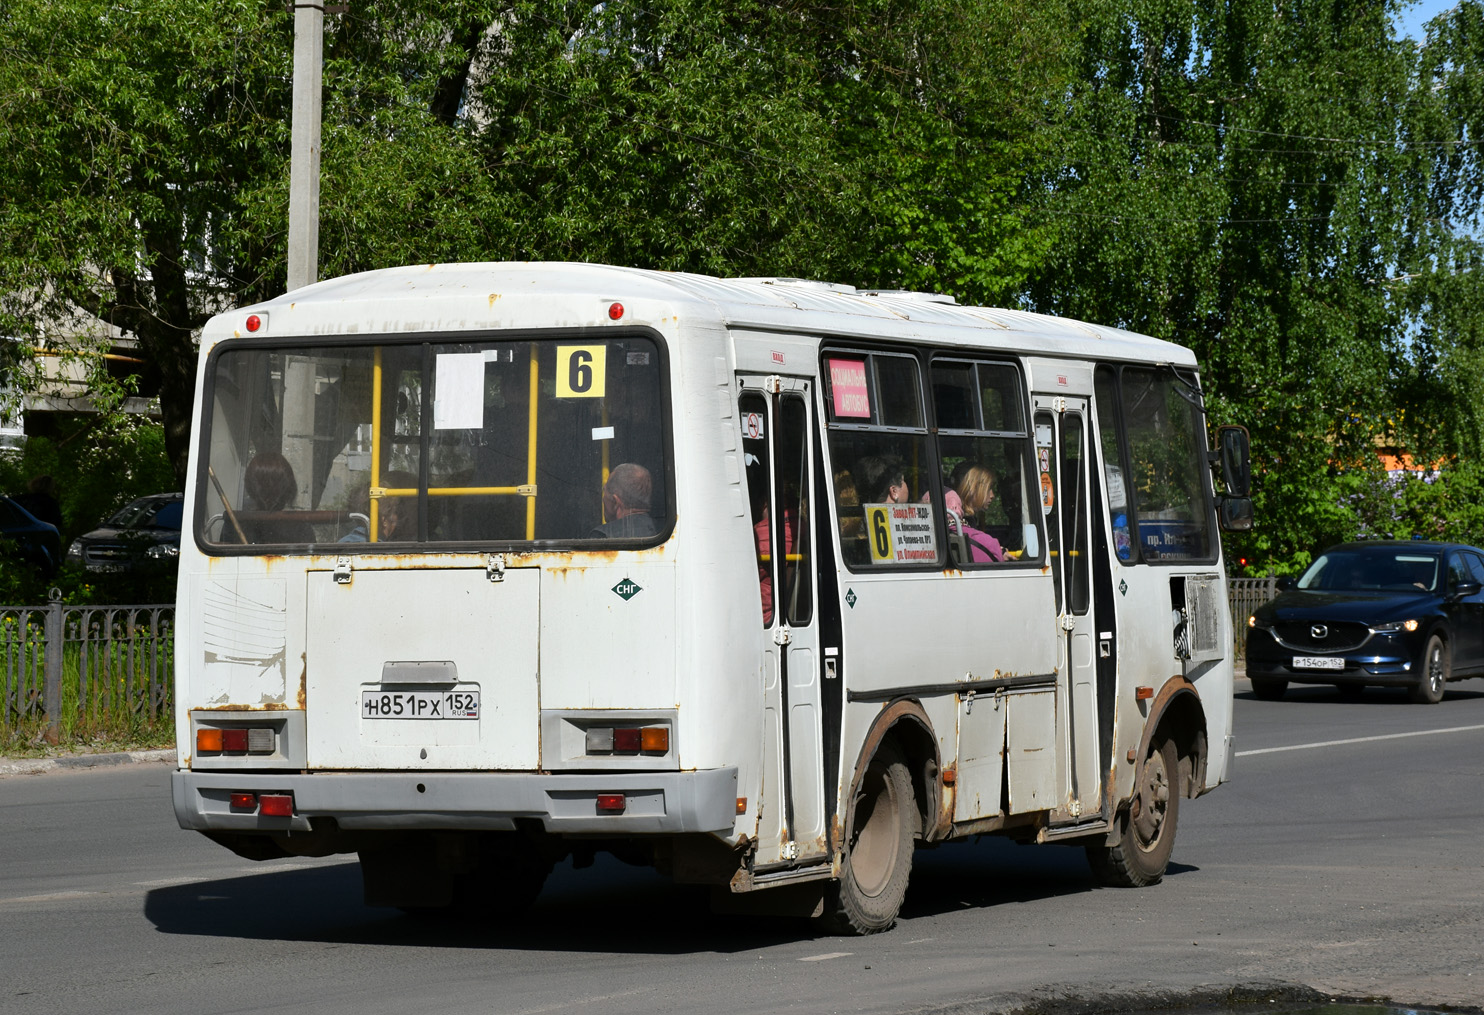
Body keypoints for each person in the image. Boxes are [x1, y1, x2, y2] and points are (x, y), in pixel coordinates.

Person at [242, 452, 315, 543]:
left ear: (250, 488)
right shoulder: (301, 528)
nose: (269, 499)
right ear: (289, 488)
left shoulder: (236, 524)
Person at [947, 463, 1005, 563]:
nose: (992, 495)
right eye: (988, 489)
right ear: (974, 489)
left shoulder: (969, 520)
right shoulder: (958, 522)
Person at [340, 470, 416, 542]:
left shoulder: (341, 544)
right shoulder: (382, 553)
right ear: (384, 520)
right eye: (395, 513)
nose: (397, 521)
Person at [590, 463, 657, 538]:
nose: (603, 499)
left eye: (604, 491)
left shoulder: (603, 535)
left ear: (615, 502)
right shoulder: (664, 531)